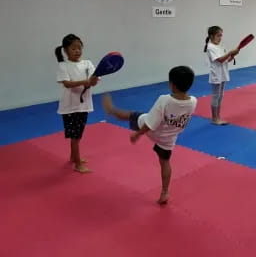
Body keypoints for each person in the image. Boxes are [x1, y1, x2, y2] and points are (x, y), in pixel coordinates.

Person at [102, 66, 197, 205]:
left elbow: (150, 125)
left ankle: (112, 111)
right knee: (164, 162)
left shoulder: (164, 100)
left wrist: (137, 134)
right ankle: (165, 192)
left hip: (153, 130)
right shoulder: (193, 101)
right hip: (168, 137)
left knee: (132, 115)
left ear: (172, 84)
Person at [55, 34, 99, 173]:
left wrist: (93, 80)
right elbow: (67, 84)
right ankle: (78, 164)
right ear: (66, 50)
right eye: (73, 48)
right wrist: (85, 82)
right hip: (69, 107)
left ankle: (73, 157)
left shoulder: (87, 63)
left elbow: (94, 79)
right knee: (75, 136)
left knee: (78, 134)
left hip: (84, 105)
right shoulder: (63, 66)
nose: (77, 51)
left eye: (79, 48)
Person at [204, 26, 239, 125]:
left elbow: (226, 60)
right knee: (216, 96)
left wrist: (232, 55)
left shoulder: (220, 46)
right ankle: (214, 118)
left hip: (223, 73)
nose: (220, 38)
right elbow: (220, 60)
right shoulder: (210, 47)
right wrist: (230, 53)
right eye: (218, 35)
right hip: (216, 74)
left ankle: (218, 116)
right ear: (211, 36)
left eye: (221, 36)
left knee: (220, 96)